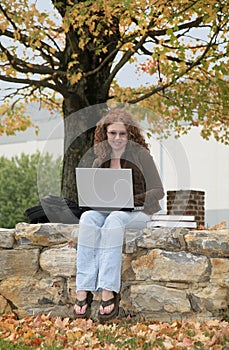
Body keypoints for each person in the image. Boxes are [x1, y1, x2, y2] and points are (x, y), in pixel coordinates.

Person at [74, 108, 164, 321]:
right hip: (107, 211)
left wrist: (131, 200)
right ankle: (83, 290)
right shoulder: (100, 160)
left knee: (114, 221)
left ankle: (108, 290)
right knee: (87, 218)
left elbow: (158, 190)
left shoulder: (141, 155)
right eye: (112, 133)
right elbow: (97, 194)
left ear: (130, 134)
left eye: (122, 133)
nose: (117, 138)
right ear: (105, 134)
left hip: (139, 211)